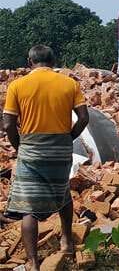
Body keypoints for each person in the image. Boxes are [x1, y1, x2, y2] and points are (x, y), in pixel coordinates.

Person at [2, 45, 89, 271]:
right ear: (53, 61)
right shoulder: (69, 84)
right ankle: (67, 242)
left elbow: (9, 124)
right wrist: (69, 137)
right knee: (63, 193)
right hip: (60, 148)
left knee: (27, 206)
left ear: (29, 62)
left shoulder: (17, 85)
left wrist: (18, 145)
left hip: (31, 148)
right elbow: (84, 118)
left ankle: (33, 262)